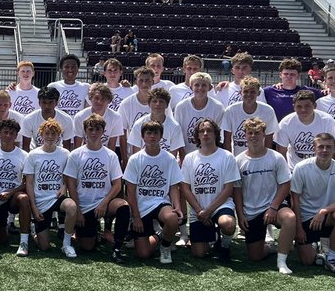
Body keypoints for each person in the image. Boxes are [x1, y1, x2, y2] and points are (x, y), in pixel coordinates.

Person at [232, 117, 296, 275]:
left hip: (274, 206)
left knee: (289, 217)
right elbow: (237, 190)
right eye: (250, 133)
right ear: (245, 135)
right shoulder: (238, 161)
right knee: (255, 256)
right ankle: (270, 248)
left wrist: (273, 207)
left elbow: (285, 184)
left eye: (257, 133)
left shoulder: (276, 157)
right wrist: (240, 215)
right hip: (251, 211)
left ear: (264, 135)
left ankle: (282, 261)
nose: (253, 136)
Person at [63, 114, 129, 260]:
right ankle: (96, 235)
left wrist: (104, 203)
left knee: (123, 206)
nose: (94, 132)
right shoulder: (75, 154)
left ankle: (117, 248)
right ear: (85, 131)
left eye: (98, 129)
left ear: (103, 131)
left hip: (104, 203)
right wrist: (78, 211)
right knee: (87, 247)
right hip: (85, 205)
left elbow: (117, 184)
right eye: (90, 129)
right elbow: (71, 184)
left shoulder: (111, 155)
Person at [124, 120, 184, 265]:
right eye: (148, 133)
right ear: (143, 136)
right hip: (141, 207)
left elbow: (173, 187)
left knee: (172, 218)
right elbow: (130, 191)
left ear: (161, 136)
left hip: (160, 203)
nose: (152, 136)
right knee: (143, 254)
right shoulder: (135, 159)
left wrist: (177, 207)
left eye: (155, 133)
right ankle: (159, 235)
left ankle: (165, 246)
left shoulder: (169, 159)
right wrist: (136, 217)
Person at [179, 119, 240, 261]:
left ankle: (224, 246)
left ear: (216, 134)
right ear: (197, 135)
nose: (205, 133)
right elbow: (185, 188)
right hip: (198, 210)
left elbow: (228, 189)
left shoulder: (227, 156)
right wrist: (200, 210)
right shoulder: (189, 158)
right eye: (202, 131)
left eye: (209, 130)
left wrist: (208, 211)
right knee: (199, 254)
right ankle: (215, 236)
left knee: (228, 224)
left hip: (221, 205)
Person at [290, 133, 335, 273]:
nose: (324, 150)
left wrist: (323, 211)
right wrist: (298, 228)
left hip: (327, 217)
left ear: (334, 149)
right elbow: (295, 200)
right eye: (321, 147)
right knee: (307, 261)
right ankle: (315, 246)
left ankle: (331, 258)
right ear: (314, 148)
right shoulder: (301, 167)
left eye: (328, 147)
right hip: (306, 216)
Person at [24, 118, 78, 257]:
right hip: (41, 201)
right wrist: (34, 208)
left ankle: (66, 244)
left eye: (54, 134)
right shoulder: (33, 155)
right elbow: (29, 183)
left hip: (57, 197)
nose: (50, 137)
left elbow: (68, 176)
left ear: (59, 136)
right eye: (47, 133)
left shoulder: (65, 153)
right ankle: (34, 231)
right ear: (41, 134)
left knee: (71, 206)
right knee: (44, 247)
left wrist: (64, 186)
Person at [0, 118, 30, 256]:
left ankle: (24, 242)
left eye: (12, 133)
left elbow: (27, 182)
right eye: (5, 132)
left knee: (24, 198)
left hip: (13, 197)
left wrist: (10, 192)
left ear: (16, 135)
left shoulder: (24, 155)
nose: (8, 135)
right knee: (2, 240)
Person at [276, 90, 335, 170]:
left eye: (307, 106)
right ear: (294, 107)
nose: (303, 110)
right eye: (299, 106)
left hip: (321, 168)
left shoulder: (327, 121)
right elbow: (281, 151)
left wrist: (329, 170)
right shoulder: (286, 123)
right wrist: (285, 172)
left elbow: (334, 147)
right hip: (295, 168)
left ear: (314, 106)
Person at [221, 76, 279, 156]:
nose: (249, 94)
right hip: (238, 157)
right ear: (240, 92)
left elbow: (269, 138)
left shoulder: (268, 111)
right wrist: (230, 159)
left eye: (252, 92)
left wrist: (265, 158)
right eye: (246, 91)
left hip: (260, 157)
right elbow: (227, 139)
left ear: (258, 93)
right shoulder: (231, 111)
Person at [173, 71, 226, 158]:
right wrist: (182, 156)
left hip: (210, 155)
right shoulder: (181, 107)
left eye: (204, 85)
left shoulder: (218, 107)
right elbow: (177, 134)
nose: (200, 88)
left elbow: (219, 135)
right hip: (186, 155)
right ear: (191, 87)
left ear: (210, 88)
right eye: (197, 85)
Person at [72, 83, 126, 162]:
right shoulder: (80, 116)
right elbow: (77, 145)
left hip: (105, 154)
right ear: (91, 98)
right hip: (86, 154)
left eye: (103, 99)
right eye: (96, 98)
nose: (99, 101)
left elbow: (111, 145)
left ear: (108, 101)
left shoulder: (116, 118)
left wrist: (107, 162)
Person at [125, 87, 183, 159]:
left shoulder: (174, 126)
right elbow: (136, 154)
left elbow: (172, 157)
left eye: (161, 101)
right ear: (149, 104)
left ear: (167, 105)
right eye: (154, 101)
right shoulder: (139, 124)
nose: (158, 104)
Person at [21, 87, 74, 152]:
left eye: (51, 102)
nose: (47, 106)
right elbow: (25, 147)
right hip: (35, 153)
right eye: (44, 102)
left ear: (56, 103)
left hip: (57, 153)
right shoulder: (29, 119)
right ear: (39, 103)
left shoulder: (66, 119)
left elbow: (67, 147)